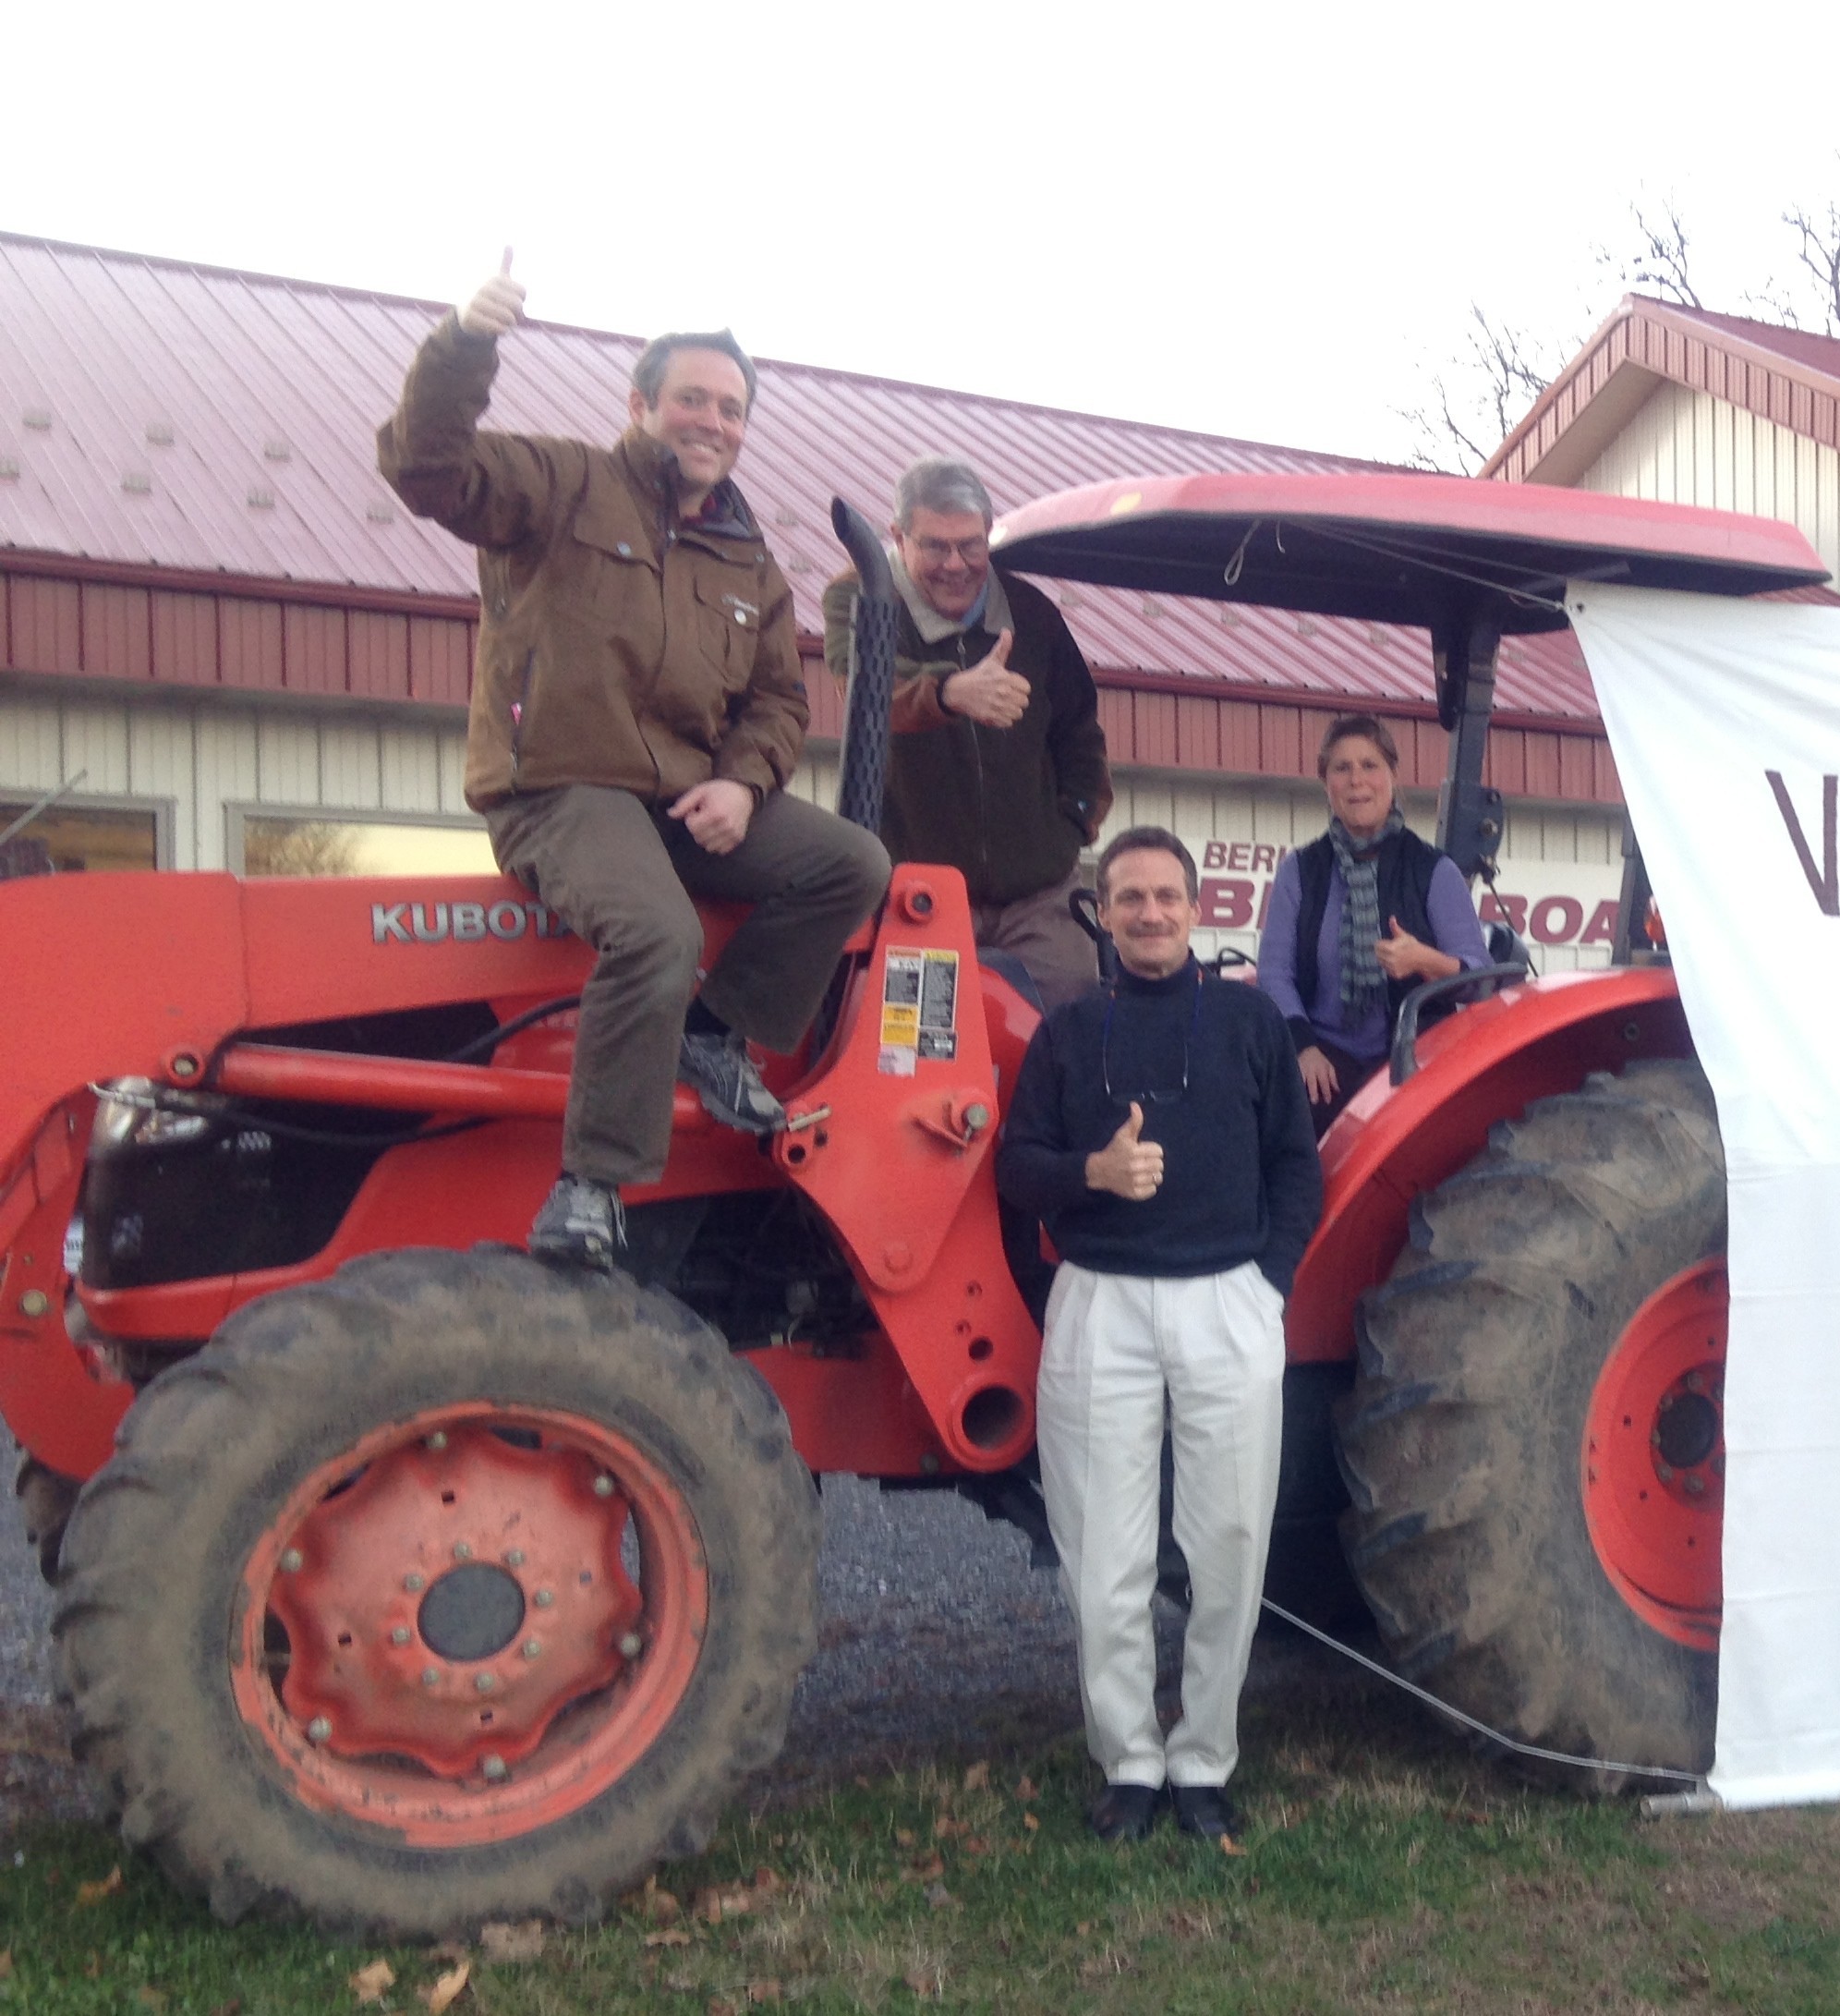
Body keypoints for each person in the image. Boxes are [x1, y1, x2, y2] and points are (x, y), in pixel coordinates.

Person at [377, 256, 891, 1270]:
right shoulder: (560, 486)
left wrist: (743, 782)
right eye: (692, 399)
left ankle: (716, 1034)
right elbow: (427, 467)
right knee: (656, 930)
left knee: (854, 863)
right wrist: (464, 343)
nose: (712, 421)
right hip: (561, 788)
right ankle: (592, 1185)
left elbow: (778, 703)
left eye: (731, 409)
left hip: (681, 800)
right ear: (641, 405)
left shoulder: (748, 562)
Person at [998, 828, 1321, 1844]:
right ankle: (1131, 1761)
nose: (1149, 913)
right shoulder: (1067, 1032)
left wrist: (1268, 1287)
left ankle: (1205, 1758)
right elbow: (1015, 1169)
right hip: (1102, 1303)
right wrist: (1091, 1176)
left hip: (1227, 1300)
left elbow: (1296, 1166)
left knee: (1229, 1545)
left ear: (1195, 908)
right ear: (1103, 912)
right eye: (1129, 897)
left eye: (1166, 896)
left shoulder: (1249, 1022)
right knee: (1104, 1558)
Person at [822, 456, 1111, 1007]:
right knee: (914, 1036)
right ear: (898, 537)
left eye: (971, 546)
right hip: (918, 890)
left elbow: (1079, 730)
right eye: (935, 546)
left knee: (1071, 1024)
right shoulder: (858, 597)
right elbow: (865, 689)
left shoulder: (1033, 613)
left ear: (989, 534)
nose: (955, 565)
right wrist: (949, 692)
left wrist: (1073, 822)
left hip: (1037, 895)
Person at [1255, 715, 1490, 1133]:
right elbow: (1274, 973)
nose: (1356, 780)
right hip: (1323, 1059)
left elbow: (1481, 979)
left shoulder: (1434, 871)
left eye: (1369, 765)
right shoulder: (1300, 871)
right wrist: (1303, 1048)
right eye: (1341, 768)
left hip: (1415, 1058)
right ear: (1325, 783)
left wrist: (1424, 960)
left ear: (1392, 776)